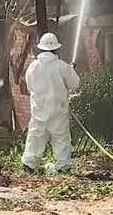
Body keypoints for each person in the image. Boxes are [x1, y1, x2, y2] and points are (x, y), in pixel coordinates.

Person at [21, 32, 80, 173]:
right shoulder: (62, 67)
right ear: (56, 49)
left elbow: (29, 86)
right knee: (61, 139)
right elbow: (74, 84)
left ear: (41, 49)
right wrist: (71, 70)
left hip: (39, 110)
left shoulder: (32, 67)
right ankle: (62, 166)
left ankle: (29, 164)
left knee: (35, 137)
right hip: (58, 112)